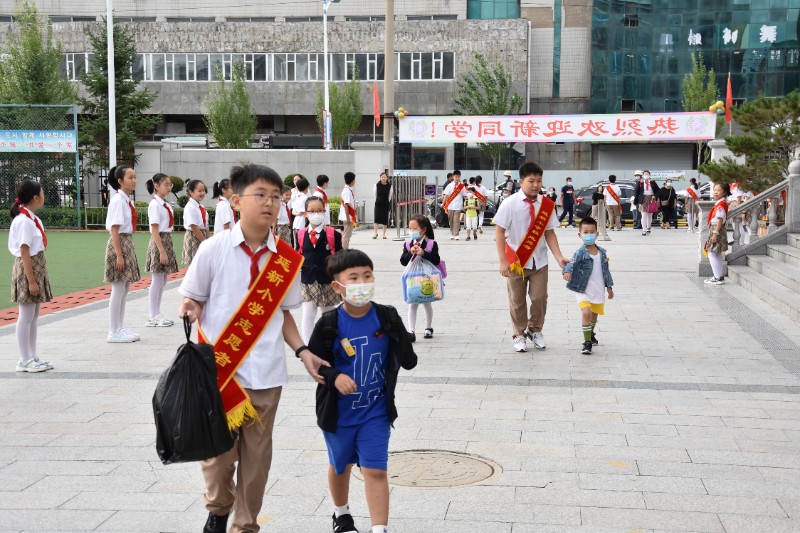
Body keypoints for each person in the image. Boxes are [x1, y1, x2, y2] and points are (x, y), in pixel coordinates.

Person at [178, 163, 328, 533]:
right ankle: (219, 506)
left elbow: (284, 315)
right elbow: (193, 298)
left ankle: (244, 524)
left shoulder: (287, 260)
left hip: (266, 373)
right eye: (260, 195)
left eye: (276, 197)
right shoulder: (213, 250)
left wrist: (303, 351)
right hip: (220, 372)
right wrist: (190, 307)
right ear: (235, 201)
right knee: (216, 457)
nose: (270, 203)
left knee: (257, 460)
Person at [307, 249, 418, 533]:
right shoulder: (329, 324)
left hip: (376, 412)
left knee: (376, 470)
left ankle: (378, 528)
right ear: (337, 286)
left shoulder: (387, 316)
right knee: (340, 464)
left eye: (367, 276)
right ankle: (341, 515)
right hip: (339, 414)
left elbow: (408, 360)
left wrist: (400, 336)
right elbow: (315, 365)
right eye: (353, 278)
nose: (362, 282)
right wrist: (334, 376)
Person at [494, 162, 570, 353]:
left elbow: (550, 233)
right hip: (516, 262)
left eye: (539, 181)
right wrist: (503, 261)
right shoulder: (509, 203)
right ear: (521, 181)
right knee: (517, 300)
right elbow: (499, 232)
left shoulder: (546, 205)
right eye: (531, 181)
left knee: (539, 298)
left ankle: (535, 330)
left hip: (540, 261)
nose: (536, 185)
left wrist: (559, 257)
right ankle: (519, 334)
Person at [8, 179, 53, 372]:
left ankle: (32, 356)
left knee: (34, 315)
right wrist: (32, 280)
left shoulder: (32, 218)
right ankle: (23, 359)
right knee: (25, 315)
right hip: (28, 268)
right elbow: (25, 252)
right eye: (42, 193)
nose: (44, 196)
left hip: (36, 265)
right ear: (35, 197)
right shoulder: (23, 221)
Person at [562, 216, 614, 355]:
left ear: (597, 234)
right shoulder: (579, 252)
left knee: (594, 314)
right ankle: (587, 343)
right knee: (586, 312)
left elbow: (606, 271)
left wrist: (609, 287)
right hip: (582, 288)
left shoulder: (602, 253)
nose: (589, 235)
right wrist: (567, 272)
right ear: (580, 235)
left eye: (592, 232)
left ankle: (590, 333)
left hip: (598, 289)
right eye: (585, 232)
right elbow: (570, 263)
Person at [297, 196, 343, 344]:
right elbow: (299, 252)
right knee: (308, 314)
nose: (316, 214)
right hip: (308, 280)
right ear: (305, 213)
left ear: (324, 212)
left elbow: (340, 256)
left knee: (328, 315)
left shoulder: (332, 234)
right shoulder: (300, 233)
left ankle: (329, 345)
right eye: (312, 211)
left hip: (327, 280)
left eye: (319, 210)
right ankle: (308, 346)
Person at [105, 165, 142, 343]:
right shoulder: (118, 201)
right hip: (119, 243)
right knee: (118, 288)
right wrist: (119, 255)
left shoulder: (126, 200)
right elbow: (114, 229)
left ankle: (119, 327)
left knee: (125, 288)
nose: (134, 180)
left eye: (135, 177)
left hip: (126, 242)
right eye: (130, 177)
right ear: (120, 181)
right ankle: (113, 331)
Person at [400, 214, 441, 342]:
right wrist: (410, 252)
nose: (411, 231)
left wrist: (424, 253)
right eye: (409, 228)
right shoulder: (408, 244)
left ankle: (428, 327)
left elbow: (436, 260)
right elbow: (403, 261)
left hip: (427, 278)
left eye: (414, 228)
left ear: (423, 230)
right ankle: (411, 331)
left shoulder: (431, 244)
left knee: (427, 302)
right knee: (412, 303)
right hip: (413, 278)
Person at [145, 173, 177, 328]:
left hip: (166, 240)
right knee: (157, 280)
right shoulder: (155, 205)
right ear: (156, 186)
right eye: (166, 184)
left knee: (163, 280)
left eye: (170, 184)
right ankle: (152, 316)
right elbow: (154, 229)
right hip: (159, 241)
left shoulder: (165, 204)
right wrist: (162, 251)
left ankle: (157, 313)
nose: (169, 187)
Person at [704, 182, 730, 285]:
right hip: (717, 229)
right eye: (714, 190)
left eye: (718, 190)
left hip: (717, 229)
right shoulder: (720, 203)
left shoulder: (721, 204)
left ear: (724, 192)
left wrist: (715, 233)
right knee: (717, 253)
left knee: (711, 253)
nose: (715, 192)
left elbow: (720, 219)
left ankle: (717, 276)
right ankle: (719, 276)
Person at [182, 179, 208, 265]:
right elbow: (194, 228)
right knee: (194, 267)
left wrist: (209, 241)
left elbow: (205, 226)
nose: (203, 193)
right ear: (191, 192)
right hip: (194, 238)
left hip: (202, 236)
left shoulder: (201, 207)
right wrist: (204, 242)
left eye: (204, 191)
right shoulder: (190, 207)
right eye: (199, 191)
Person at [441, 169, 466, 240]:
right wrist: (443, 203)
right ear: (453, 177)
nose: (457, 178)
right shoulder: (449, 185)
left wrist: (470, 197)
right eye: (456, 177)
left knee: (456, 220)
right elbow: (446, 195)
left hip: (458, 206)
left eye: (458, 177)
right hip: (450, 206)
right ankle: (452, 232)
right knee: (451, 220)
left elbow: (465, 196)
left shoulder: (462, 186)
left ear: (460, 177)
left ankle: (456, 234)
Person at [634, 170, 660, 236]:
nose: (646, 175)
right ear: (642, 175)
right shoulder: (640, 182)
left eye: (647, 174)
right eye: (645, 174)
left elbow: (658, 190)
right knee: (644, 214)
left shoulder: (652, 182)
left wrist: (655, 196)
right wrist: (636, 200)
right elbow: (636, 191)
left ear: (649, 175)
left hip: (651, 198)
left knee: (650, 214)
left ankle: (648, 228)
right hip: (643, 199)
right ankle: (644, 229)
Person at [339, 172, 358, 249]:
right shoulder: (347, 191)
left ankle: (345, 249)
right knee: (346, 236)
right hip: (348, 216)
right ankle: (344, 250)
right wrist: (347, 217)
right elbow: (346, 204)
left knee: (347, 235)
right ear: (353, 180)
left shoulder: (348, 190)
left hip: (348, 216)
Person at [373, 172, 391, 239]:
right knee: (376, 219)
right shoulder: (376, 185)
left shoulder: (390, 186)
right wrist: (378, 200)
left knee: (385, 219)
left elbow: (390, 196)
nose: (383, 178)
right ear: (380, 178)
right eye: (382, 177)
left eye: (384, 177)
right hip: (378, 204)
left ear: (387, 178)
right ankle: (375, 233)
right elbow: (374, 194)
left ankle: (383, 234)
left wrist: (387, 201)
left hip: (386, 204)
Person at [292, 176, 311, 243]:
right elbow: (306, 213)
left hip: (296, 223)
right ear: (306, 188)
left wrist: (298, 213)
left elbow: (293, 211)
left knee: (296, 245)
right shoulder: (305, 198)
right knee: (302, 244)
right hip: (302, 224)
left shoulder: (297, 197)